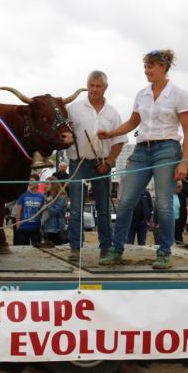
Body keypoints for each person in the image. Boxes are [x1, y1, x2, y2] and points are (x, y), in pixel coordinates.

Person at [98, 49, 188, 269]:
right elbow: (133, 122)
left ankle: (164, 252)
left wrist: (184, 161)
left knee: (163, 204)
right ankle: (116, 249)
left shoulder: (179, 94)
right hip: (141, 149)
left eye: (150, 66)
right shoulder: (142, 94)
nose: (146, 70)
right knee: (125, 201)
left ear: (163, 67)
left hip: (167, 149)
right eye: (145, 67)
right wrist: (111, 133)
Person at [66, 70, 127, 262]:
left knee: (103, 209)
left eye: (98, 86)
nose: (94, 89)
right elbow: (63, 132)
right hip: (78, 162)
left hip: (102, 164)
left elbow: (119, 140)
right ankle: (75, 248)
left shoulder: (113, 112)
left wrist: (109, 162)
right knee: (75, 208)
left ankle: (105, 248)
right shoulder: (73, 109)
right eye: (91, 85)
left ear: (105, 88)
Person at [15, 174, 46, 246]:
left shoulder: (42, 197)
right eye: (28, 181)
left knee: (37, 250)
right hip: (23, 228)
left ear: (38, 182)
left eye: (32, 181)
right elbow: (18, 211)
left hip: (36, 228)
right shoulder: (23, 195)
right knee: (22, 249)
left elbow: (43, 212)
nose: (29, 183)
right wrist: (18, 224)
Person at [42, 176, 68, 245]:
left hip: (56, 229)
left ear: (53, 185)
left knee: (56, 249)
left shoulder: (61, 197)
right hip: (46, 227)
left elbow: (55, 211)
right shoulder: (46, 196)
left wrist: (47, 205)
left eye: (47, 184)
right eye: (45, 184)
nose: (46, 186)